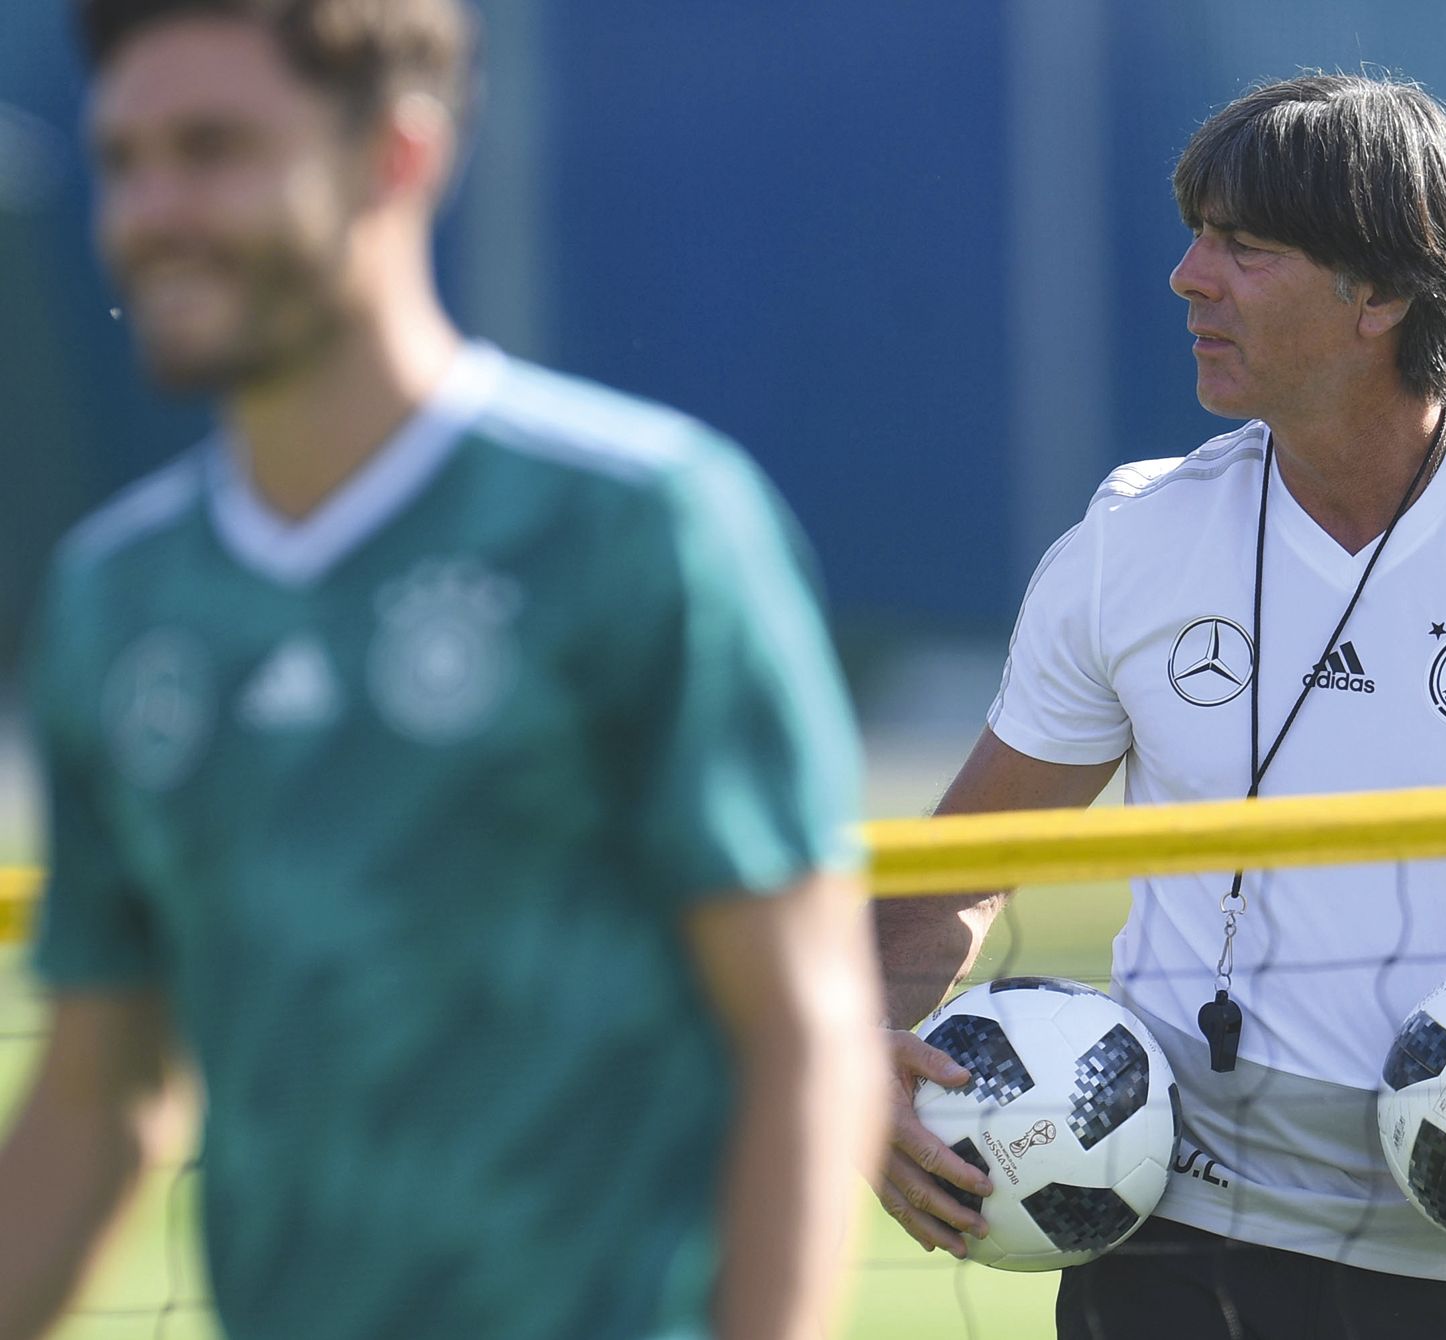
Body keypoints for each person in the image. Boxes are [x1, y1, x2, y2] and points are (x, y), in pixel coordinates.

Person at [872, 72, 1446, 1339]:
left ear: (1378, 294)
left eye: (1243, 248)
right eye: (1197, 234)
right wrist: (862, 1047)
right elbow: (950, 878)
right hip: (1164, 1242)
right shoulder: (1129, 542)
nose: (1186, 278)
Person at [0, 3, 886, 1338]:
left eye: (215, 148)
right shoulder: (115, 597)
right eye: (125, 160)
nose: (152, 209)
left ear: (397, 156)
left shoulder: (645, 526)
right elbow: (99, 1091)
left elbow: (804, 1029)